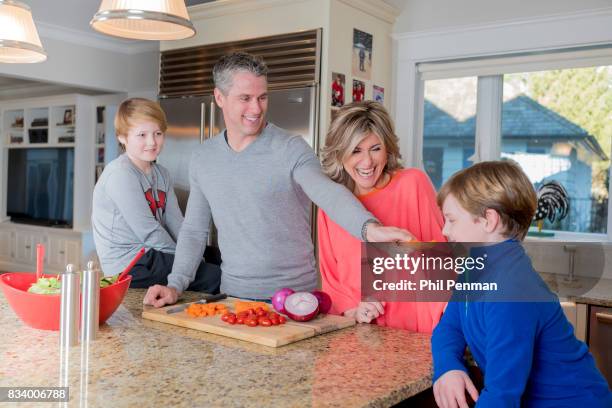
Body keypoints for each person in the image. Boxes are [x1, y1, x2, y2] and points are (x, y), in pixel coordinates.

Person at [143, 52, 412, 308]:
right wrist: (175, 284)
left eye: (262, 97)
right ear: (220, 97)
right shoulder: (203, 157)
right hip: (232, 297)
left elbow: (328, 193)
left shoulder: (291, 148)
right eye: (245, 98)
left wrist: (370, 229)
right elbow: (194, 230)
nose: (256, 108)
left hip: (295, 300)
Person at [431, 161, 612, 408]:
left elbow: (501, 397)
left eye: (451, 219)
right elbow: (448, 328)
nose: (444, 230)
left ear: (488, 220)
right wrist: (448, 367)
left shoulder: (511, 290)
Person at [318, 101, 446, 331]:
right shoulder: (332, 202)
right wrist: (354, 310)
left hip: (415, 331)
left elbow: (442, 263)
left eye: (375, 148)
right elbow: (331, 278)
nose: (367, 162)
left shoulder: (413, 184)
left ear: (388, 149)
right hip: (359, 333)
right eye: (356, 150)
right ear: (340, 154)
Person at [92, 98, 221, 292]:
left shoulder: (161, 174)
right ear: (122, 137)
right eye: (142, 135)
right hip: (129, 265)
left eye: (158, 133)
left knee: (219, 259)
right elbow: (149, 232)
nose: (152, 142)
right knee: (216, 276)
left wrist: (194, 254)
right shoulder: (120, 175)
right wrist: (187, 263)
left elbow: (177, 222)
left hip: (153, 253)